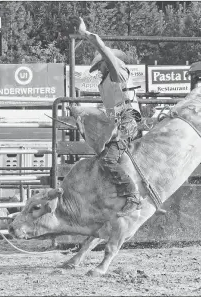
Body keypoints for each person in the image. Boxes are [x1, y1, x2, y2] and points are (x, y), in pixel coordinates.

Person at [76, 17, 144, 216]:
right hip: (121, 123)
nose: (99, 71)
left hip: (127, 122)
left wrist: (84, 33)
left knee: (107, 161)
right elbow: (110, 113)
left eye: (100, 66)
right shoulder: (108, 83)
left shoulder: (117, 74)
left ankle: (132, 196)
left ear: (107, 63)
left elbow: (101, 45)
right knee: (104, 160)